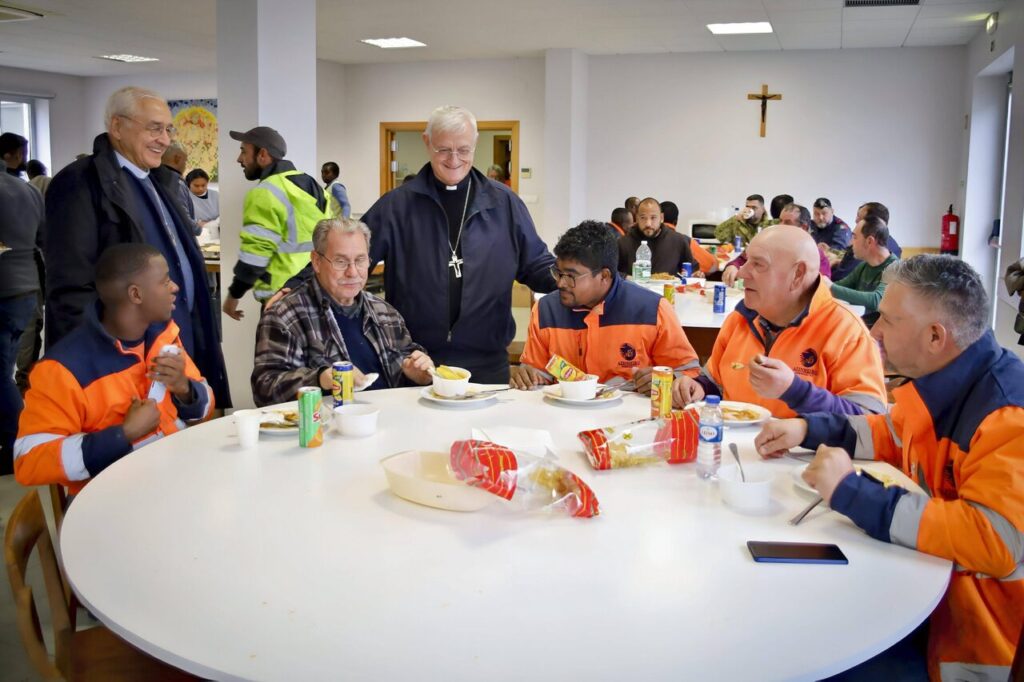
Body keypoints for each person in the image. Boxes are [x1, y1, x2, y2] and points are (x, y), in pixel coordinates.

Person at [755, 255, 1024, 682]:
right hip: (926, 597)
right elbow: (889, 434)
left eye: (889, 322)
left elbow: (996, 539)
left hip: (964, 642)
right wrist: (806, 429)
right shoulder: (947, 380)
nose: (875, 332)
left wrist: (850, 490)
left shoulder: (1006, 411)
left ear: (936, 336)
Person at [43, 86, 230, 408]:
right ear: (117, 127)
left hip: (173, 344)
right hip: (125, 355)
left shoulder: (157, 180)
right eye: (154, 128)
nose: (165, 139)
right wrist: (95, 363)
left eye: (168, 129)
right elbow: (71, 287)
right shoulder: (80, 183)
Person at [358, 105, 555, 384]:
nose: (454, 159)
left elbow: (536, 265)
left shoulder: (504, 204)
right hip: (417, 364)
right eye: (443, 150)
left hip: (487, 363)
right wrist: (295, 286)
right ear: (427, 143)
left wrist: (576, 280)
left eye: (463, 150)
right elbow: (350, 257)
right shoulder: (396, 206)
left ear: (474, 146)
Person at [14, 244, 214, 495]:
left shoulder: (164, 336)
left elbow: (205, 409)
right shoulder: (63, 368)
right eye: (164, 282)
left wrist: (185, 389)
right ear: (136, 294)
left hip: (174, 481)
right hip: (111, 503)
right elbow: (29, 461)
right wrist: (123, 433)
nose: (174, 287)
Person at [672, 225, 886, 418]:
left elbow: (870, 422)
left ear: (798, 274)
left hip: (806, 459)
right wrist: (698, 387)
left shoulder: (846, 331)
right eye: (746, 261)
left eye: (758, 264)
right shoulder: (740, 318)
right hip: (736, 455)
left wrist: (795, 391)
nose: (742, 272)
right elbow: (715, 383)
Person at [252, 217, 434, 406]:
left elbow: (407, 366)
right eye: (341, 261)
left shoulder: (386, 313)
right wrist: (320, 378)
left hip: (388, 423)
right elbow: (264, 389)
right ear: (316, 261)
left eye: (360, 260)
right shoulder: (284, 316)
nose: (353, 272)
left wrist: (418, 375)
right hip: (325, 430)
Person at [512, 221, 699, 392]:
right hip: (564, 418)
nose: (561, 283)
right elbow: (536, 374)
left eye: (570, 276)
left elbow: (689, 373)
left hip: (630, 421)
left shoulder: (652, 310)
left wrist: (668, 378)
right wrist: (524, 376)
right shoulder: (546, 310)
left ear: (604, 276)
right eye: (557, 273)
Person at [221, 126, 331, 320]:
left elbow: (254, 256)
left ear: (262, 154)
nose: (239, 159)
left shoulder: (265, 192)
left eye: (243, 151)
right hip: (317, 293)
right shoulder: (315, 187)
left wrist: (233, 296)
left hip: (281, 301)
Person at [0, 171, 44, 475]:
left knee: (0, 373)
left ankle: (17, 446)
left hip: (4, 288)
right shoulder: (26, 190)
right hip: (26, 288)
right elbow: (43, 240)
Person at [721, 203, 831, 286]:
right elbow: (742, 259)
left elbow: (822, 287)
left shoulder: (815, 256)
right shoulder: (769, 243)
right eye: (780, 221)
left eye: (787, 222)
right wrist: (732, 266)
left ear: (803, 227)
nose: (781, 226)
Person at [618, 197, 716, 276]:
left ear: (661, 218)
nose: (648, 223)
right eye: (643, 218)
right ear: (637, 218)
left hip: (670, 296)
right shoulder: (623, 243)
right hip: (634, 295)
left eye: (653, 218)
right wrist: (627, 278)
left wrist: (696, 275)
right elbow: (611, 274)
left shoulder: (678, 241)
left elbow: (693, 271)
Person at [829, 215, 898, 326]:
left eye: (855, 237)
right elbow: (841, 285)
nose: (851, 243)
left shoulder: (895, 267)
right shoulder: (864, 266)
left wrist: (829, 286)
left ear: (869, 241)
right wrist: (821, 285)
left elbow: (876, 300)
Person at [831, 202, 903, 281]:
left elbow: (838, 278)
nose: (856, 220)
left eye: (859, 217)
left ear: (873, 222)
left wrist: (827, 266)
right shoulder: (895, 247)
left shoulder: (861, 247)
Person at [809, 197, 852, 270]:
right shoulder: (811, 224)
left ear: (832, 211)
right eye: (816, 214)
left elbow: (838, 252)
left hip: (831, 268)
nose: (821, 217)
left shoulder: (842, 228)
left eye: (824, 213)